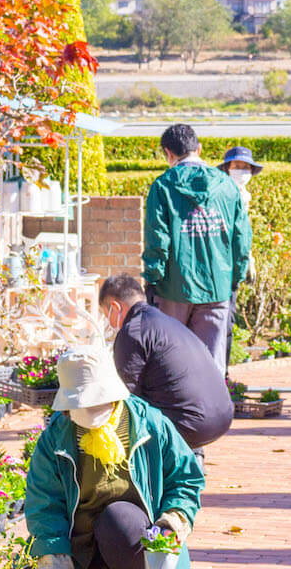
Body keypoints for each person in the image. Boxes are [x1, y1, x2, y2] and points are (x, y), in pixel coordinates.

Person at [25, 346, 204, 569]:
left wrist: (172, 520)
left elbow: (186, 479)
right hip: (77, 540)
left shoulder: (150, 424)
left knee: (118, 517)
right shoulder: (55, 437)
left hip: (131, 546)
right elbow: (44, 504)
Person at [142, 124, 252, 368]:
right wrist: (236, 277)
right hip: (218, 286)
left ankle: (175, 406)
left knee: (171, 360)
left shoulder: (162, 186)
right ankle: (213, 406)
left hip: (173, 287)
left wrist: (152, 278)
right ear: (198, 149)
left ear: (168, 154)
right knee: (212, 363)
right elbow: (242, 239)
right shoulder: (227, 186)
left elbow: (157, 240)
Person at [100, 273, 234, 464]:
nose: (109, 323)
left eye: (107, 316)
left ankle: (158, 468)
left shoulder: (133, 331)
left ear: (115, 307)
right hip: (223, 414)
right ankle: (190, 455)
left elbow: (127, 396)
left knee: (129, 409)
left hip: (193, 424)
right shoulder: (168, 323)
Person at [216, 146, 263, 369]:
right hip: (221, 267)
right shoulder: (222, 194)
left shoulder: (244, 196)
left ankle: (223, 375)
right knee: (221, 322)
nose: (242, 171)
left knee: (226, 322)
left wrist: (248, 261)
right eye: (237, 167)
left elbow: (243, 235)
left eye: (246, 168)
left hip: (233, 267)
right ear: (227, 168)